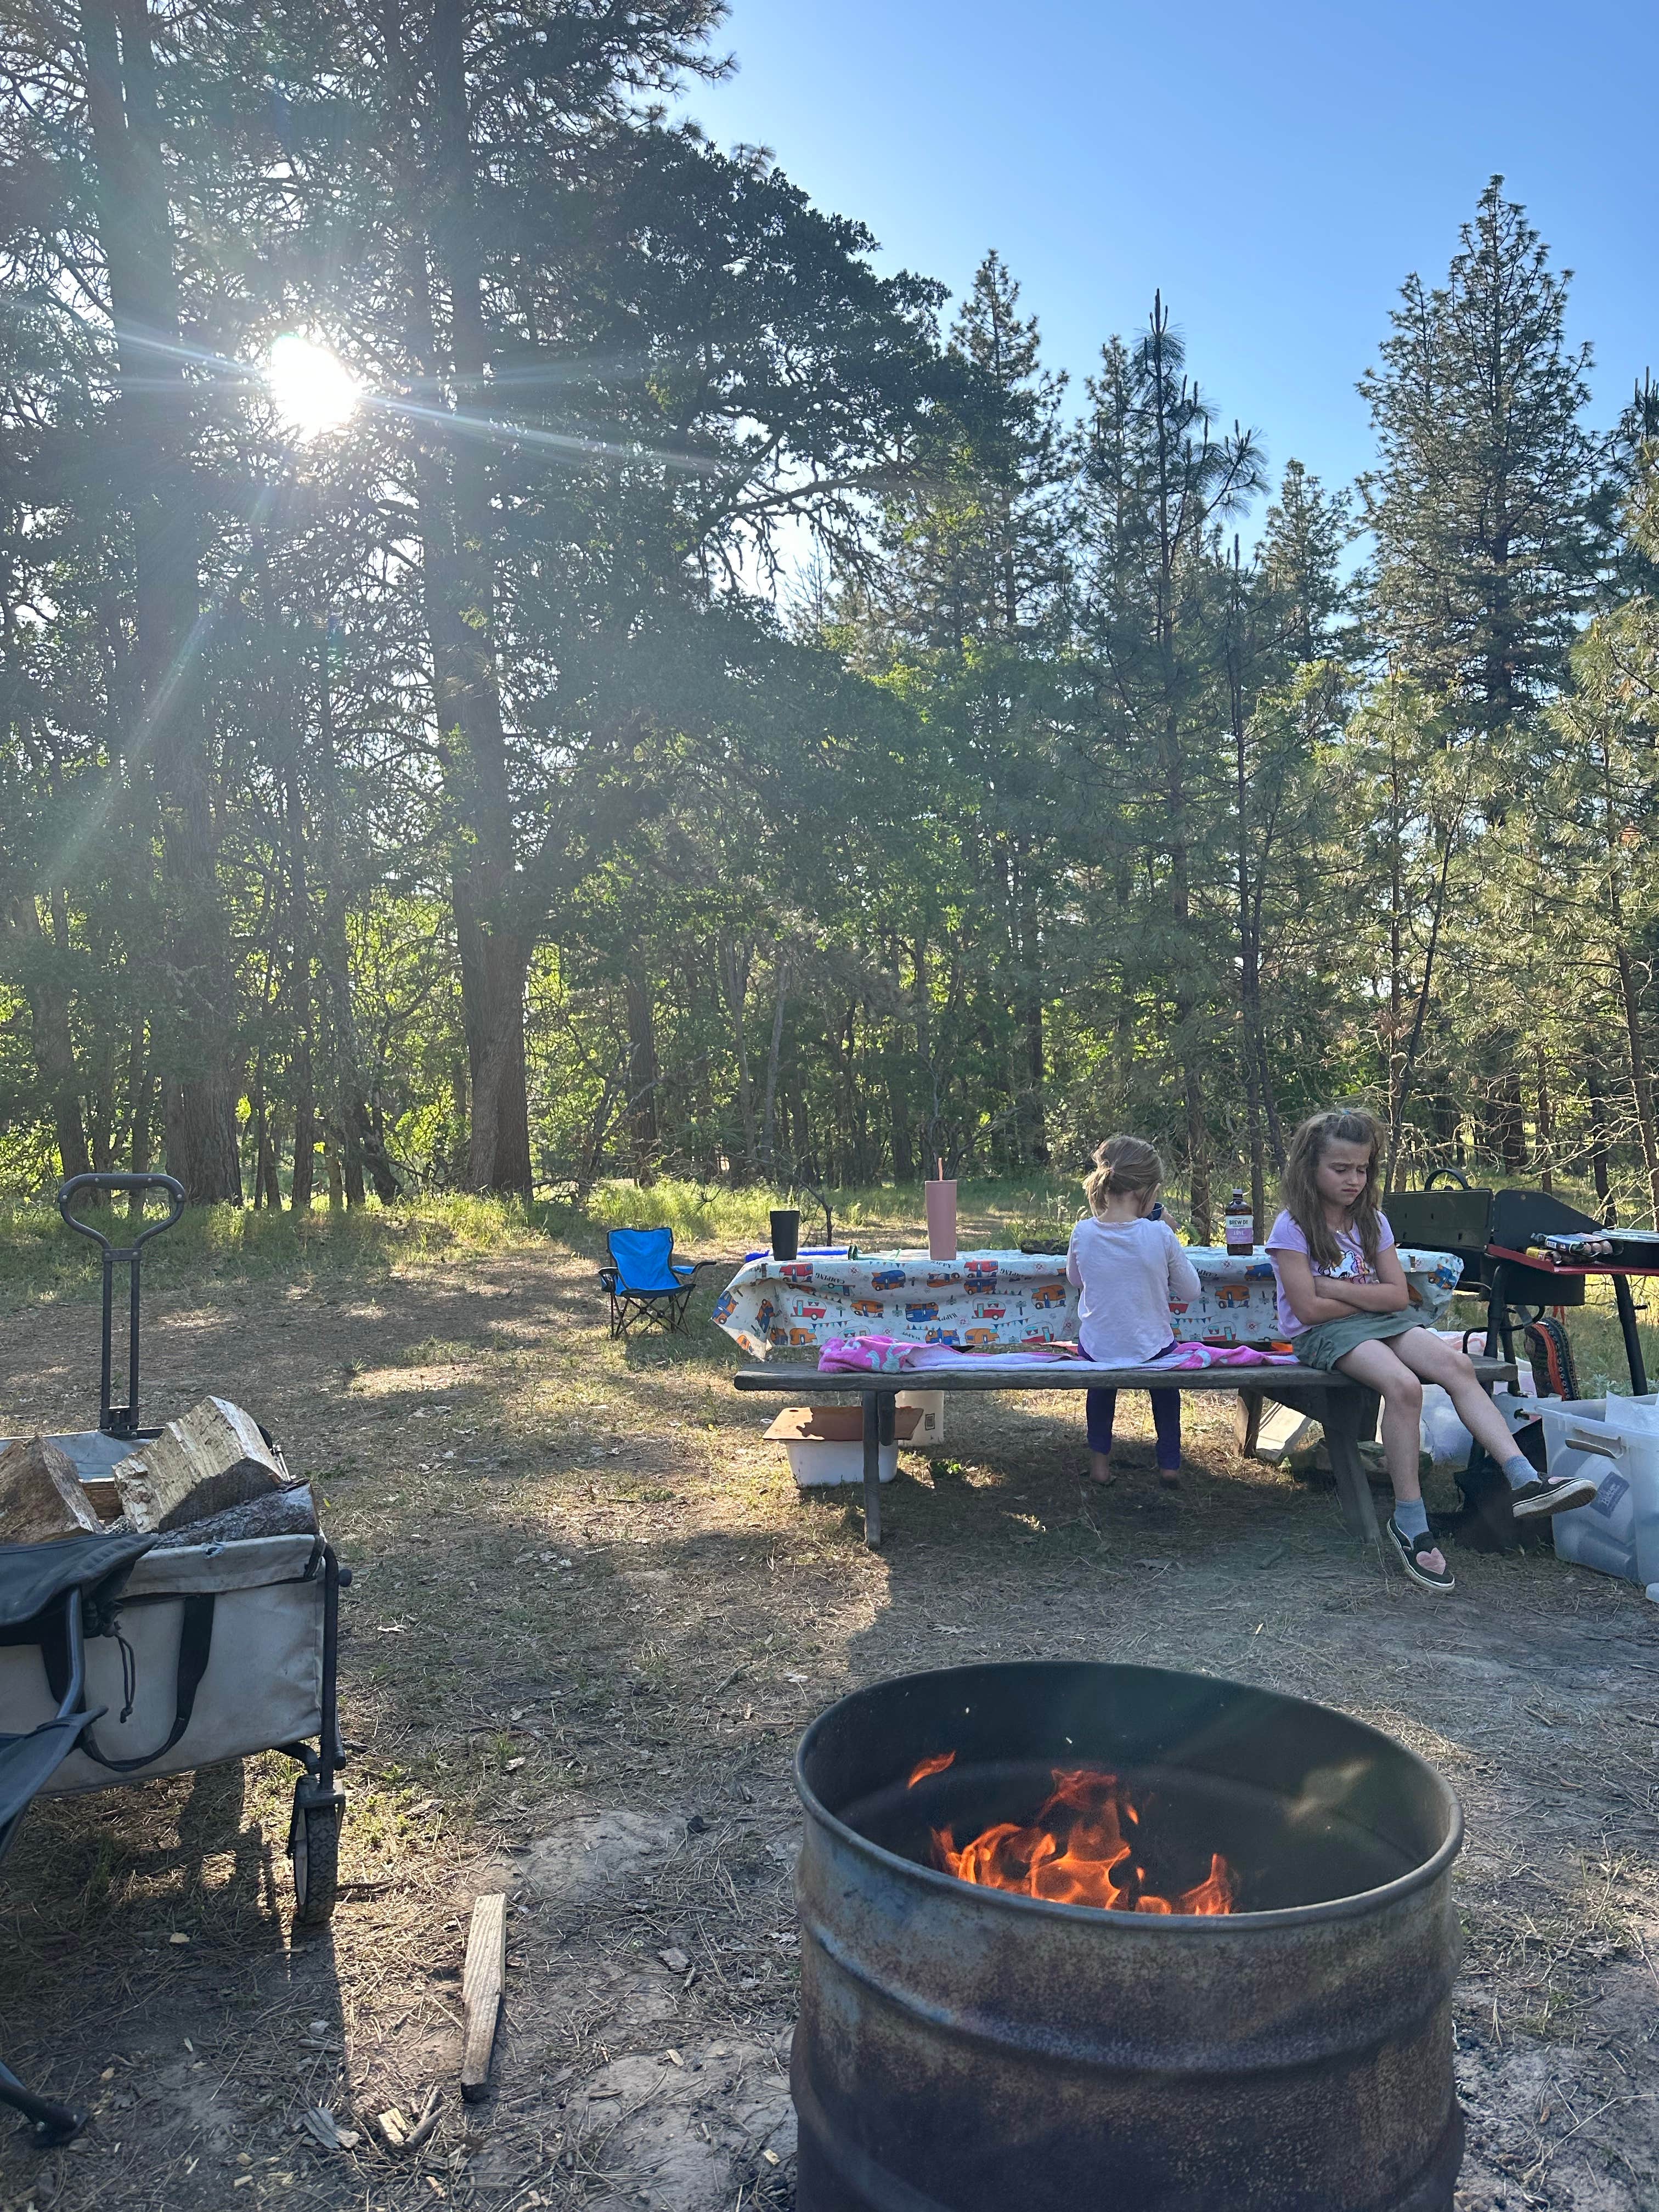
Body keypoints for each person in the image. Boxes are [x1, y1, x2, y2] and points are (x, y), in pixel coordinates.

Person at [1266, 1107, 1595, 1594]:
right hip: (1326, 1336)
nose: (1354, 1179)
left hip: (1383, 1319)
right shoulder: (1292, 1228)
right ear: (1309, 1168)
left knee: (1456, 1365)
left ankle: (1526, 1480)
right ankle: (1410, 1519)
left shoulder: (1372, 1222)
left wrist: (1330, 1287)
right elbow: (1308, 1313)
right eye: (1341, 1169)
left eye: (1362, 1169)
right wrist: (1360, 1295)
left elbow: (1397, 1297)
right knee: (1402, 1387)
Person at [1067, 1136, 1202, 1487]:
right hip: (1152, 1345)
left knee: (1101, 1387)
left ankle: (1100, 1465)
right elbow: (1191, 1291)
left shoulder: (1082, 1232)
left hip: (1099, 1346)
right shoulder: (1160, 1234)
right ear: (1149, 1192)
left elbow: (1075, 1279)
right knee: (1166, 1390)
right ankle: (1169, 1464)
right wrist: (1169, 1236)